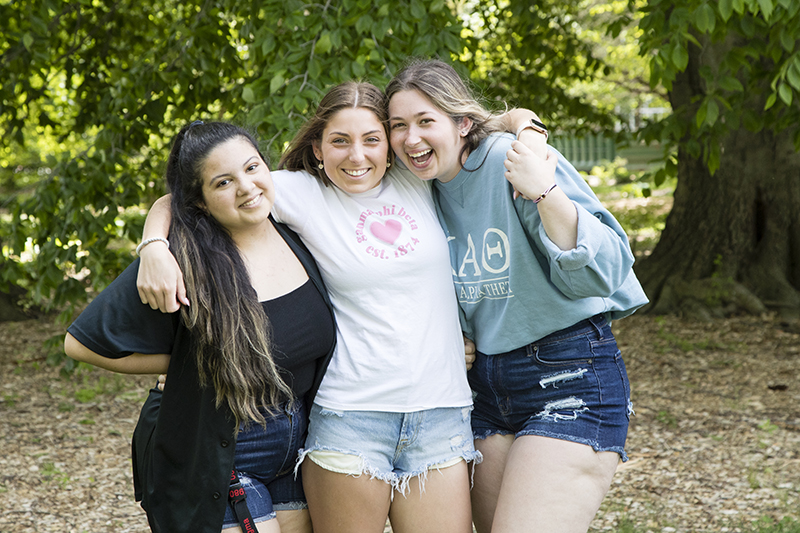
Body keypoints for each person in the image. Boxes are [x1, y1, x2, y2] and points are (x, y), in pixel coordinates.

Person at [135, 82, 484, 533]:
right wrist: (154, 245)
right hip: (352, 415)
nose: (357, 156)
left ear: (389, 146)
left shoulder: (415, 179)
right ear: (318, 149)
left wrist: (528, 128)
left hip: (441, 412)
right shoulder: (299, 193)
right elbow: (188, 194)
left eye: (371, 139)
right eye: (339, 141)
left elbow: (487, 130)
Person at [384, 58, 649, 533]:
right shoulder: (416, 190)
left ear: (462, 123)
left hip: (568, 372)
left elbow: (606, 269)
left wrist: (545, 191)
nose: (411, 138)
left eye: (425, 121)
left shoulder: (511, 160)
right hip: (483, 390)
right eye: (398, 125)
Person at [64, 121, 337, 533]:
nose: (246, 187)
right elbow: (80, 344)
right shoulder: (183, 259)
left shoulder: (295, 227)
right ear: (201, 202)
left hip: (298, 446)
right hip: (220, 451)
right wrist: (192, 364)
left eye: (252, 167)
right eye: (223, 182)